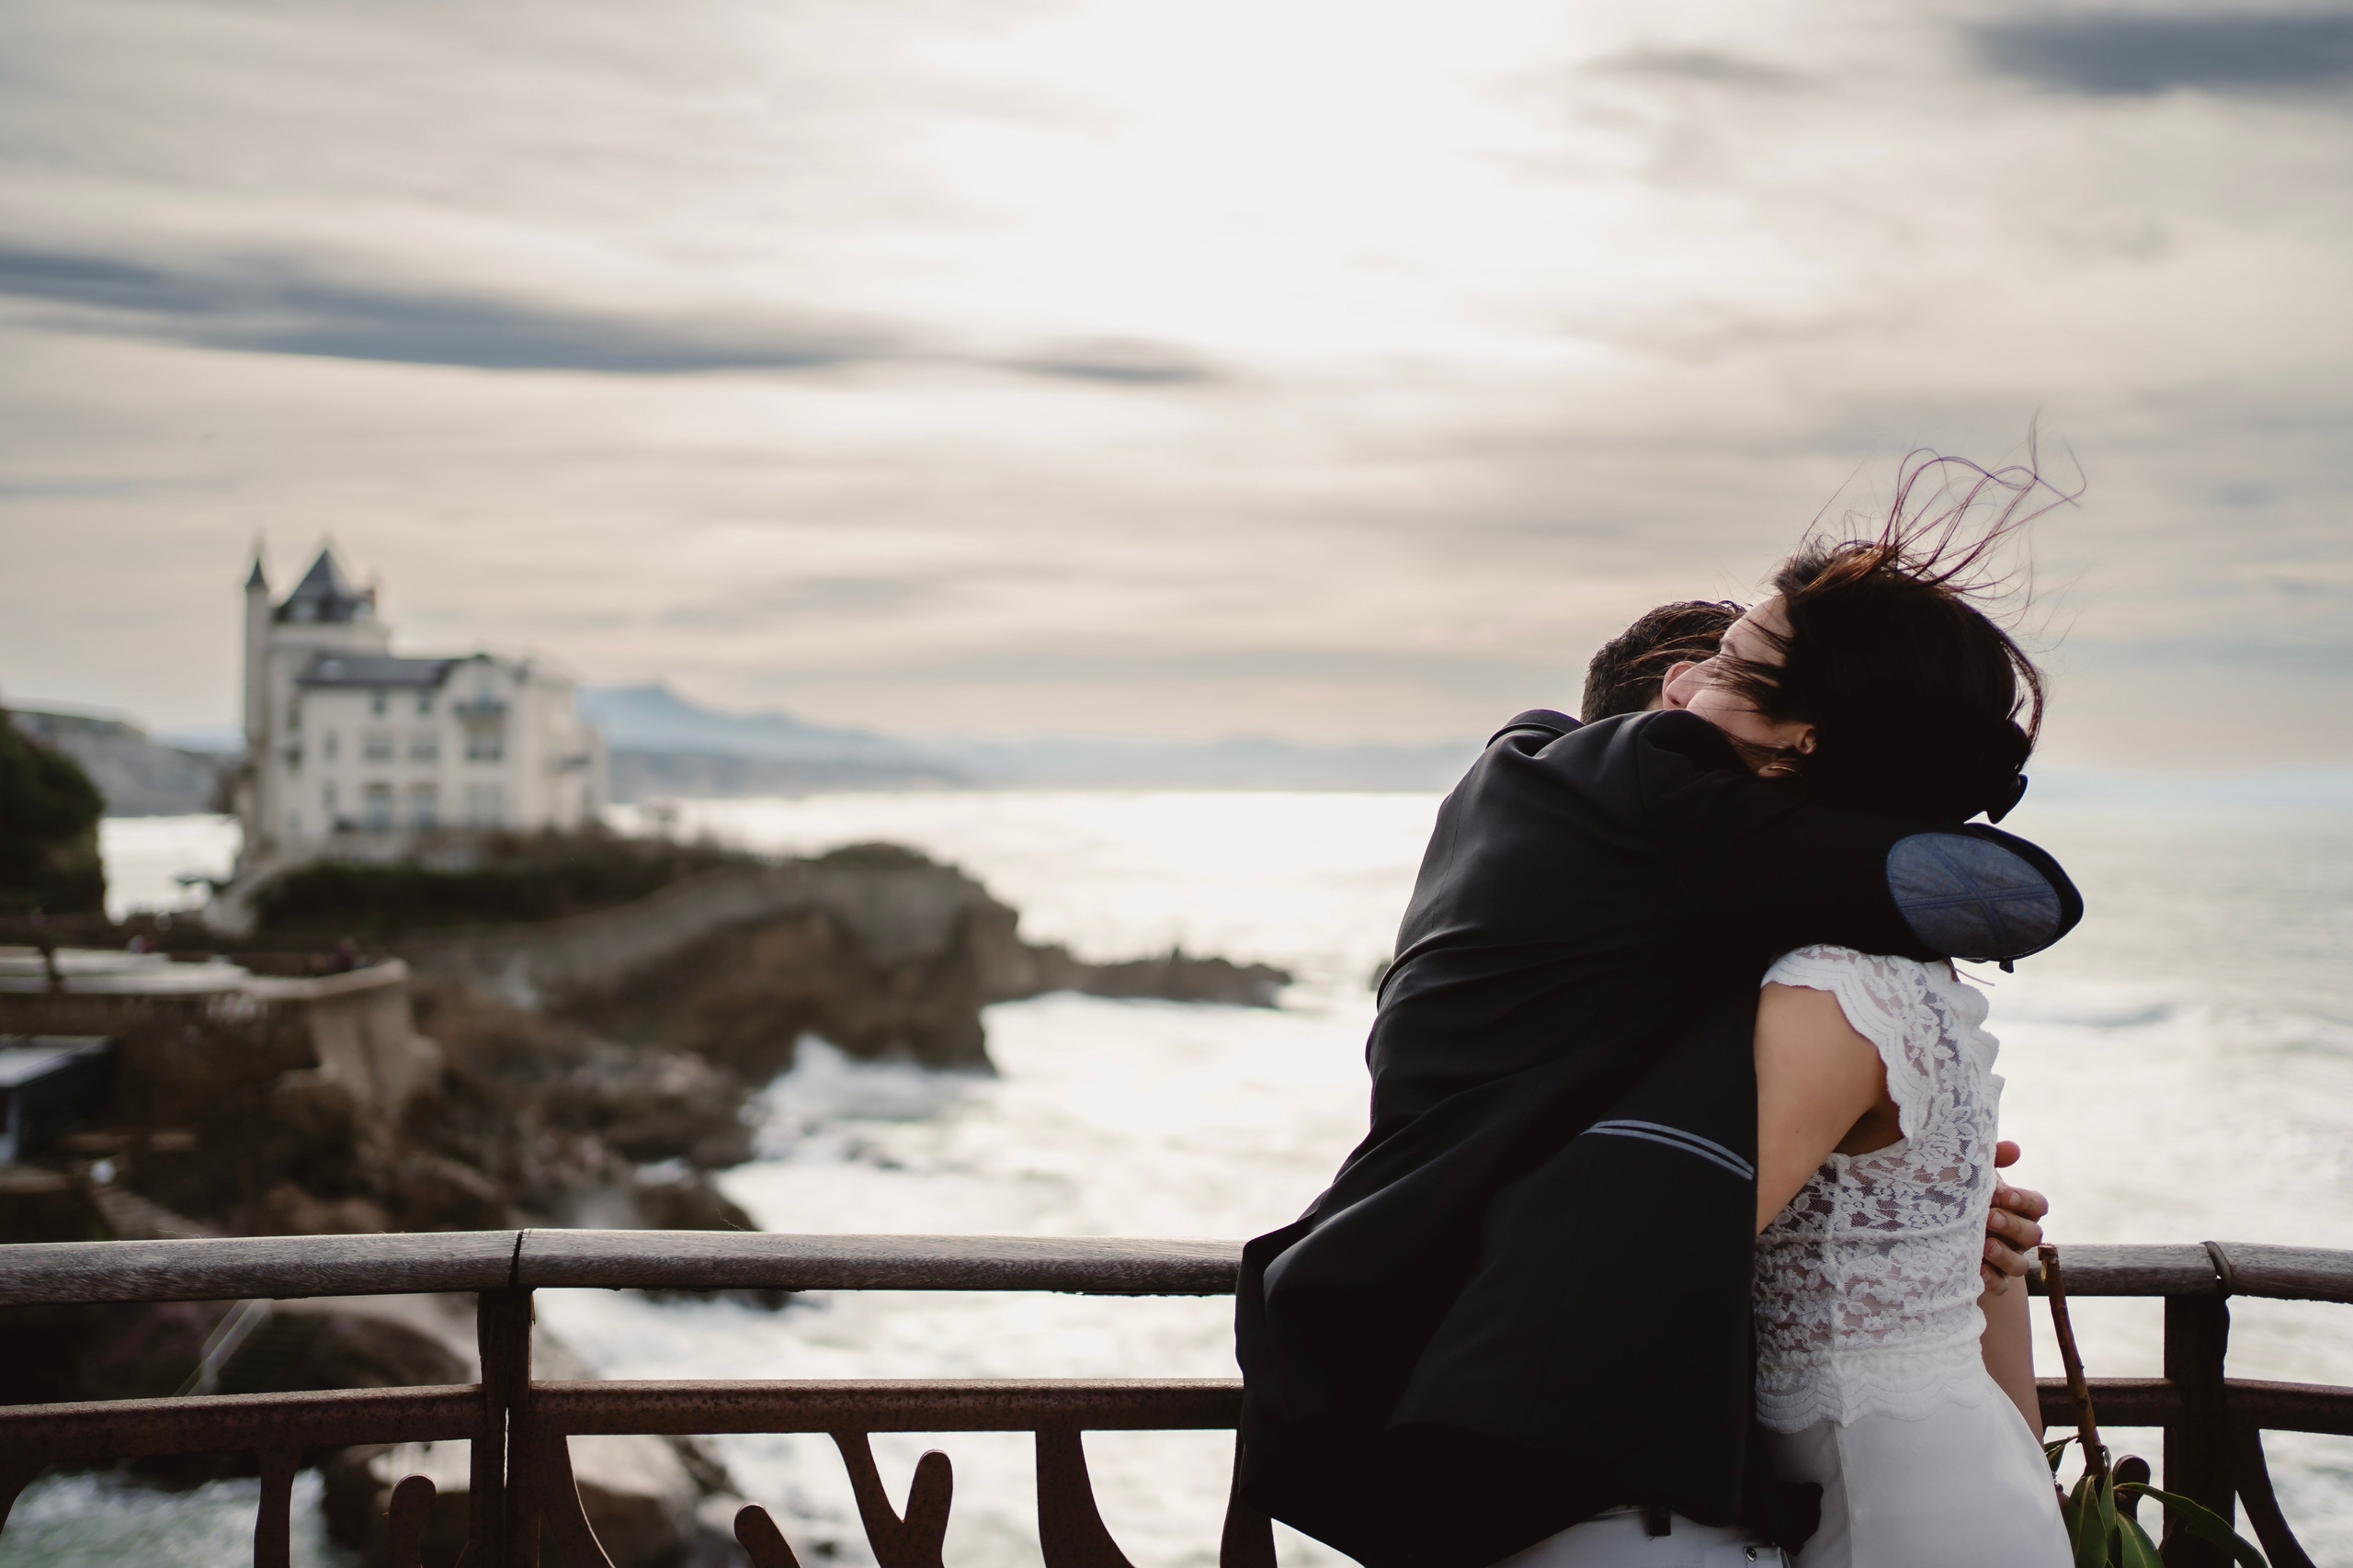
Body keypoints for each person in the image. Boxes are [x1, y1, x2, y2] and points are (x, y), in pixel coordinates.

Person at [1233, 458, 2080, 1568]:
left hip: (1489, 1381)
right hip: (1546, 1438)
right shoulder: (1638, 801)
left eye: (1722, 666)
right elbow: (2015, 895)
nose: (1684, 685)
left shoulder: (1560, 811)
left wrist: (1907, 1219)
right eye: (1689, 682)